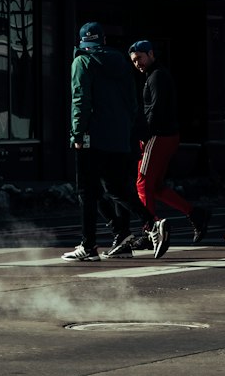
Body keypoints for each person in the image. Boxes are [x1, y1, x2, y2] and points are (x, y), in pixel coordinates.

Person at [62, 22, 166, 263]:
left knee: (87, 192)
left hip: (91, 137)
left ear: (83, 44)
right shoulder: (121, 61)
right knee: (115, 188)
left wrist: (77, 135)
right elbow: (132, 101)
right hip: (119, 137)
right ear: (104, 41)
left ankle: (88, 246)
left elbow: (80, 99)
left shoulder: (81, 62)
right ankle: (146, 225)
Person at [118, 40, 209, 249]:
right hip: (165, 135)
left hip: (158, 136)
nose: (137, 63)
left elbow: (154, 111)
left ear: (151, 54)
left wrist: (142, 135)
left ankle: (151, 231)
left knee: (142, 183)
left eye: (140, 58)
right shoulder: (156, 75)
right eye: (133, 60)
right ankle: (195, 214)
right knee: (155, 187)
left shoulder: (157, 76)